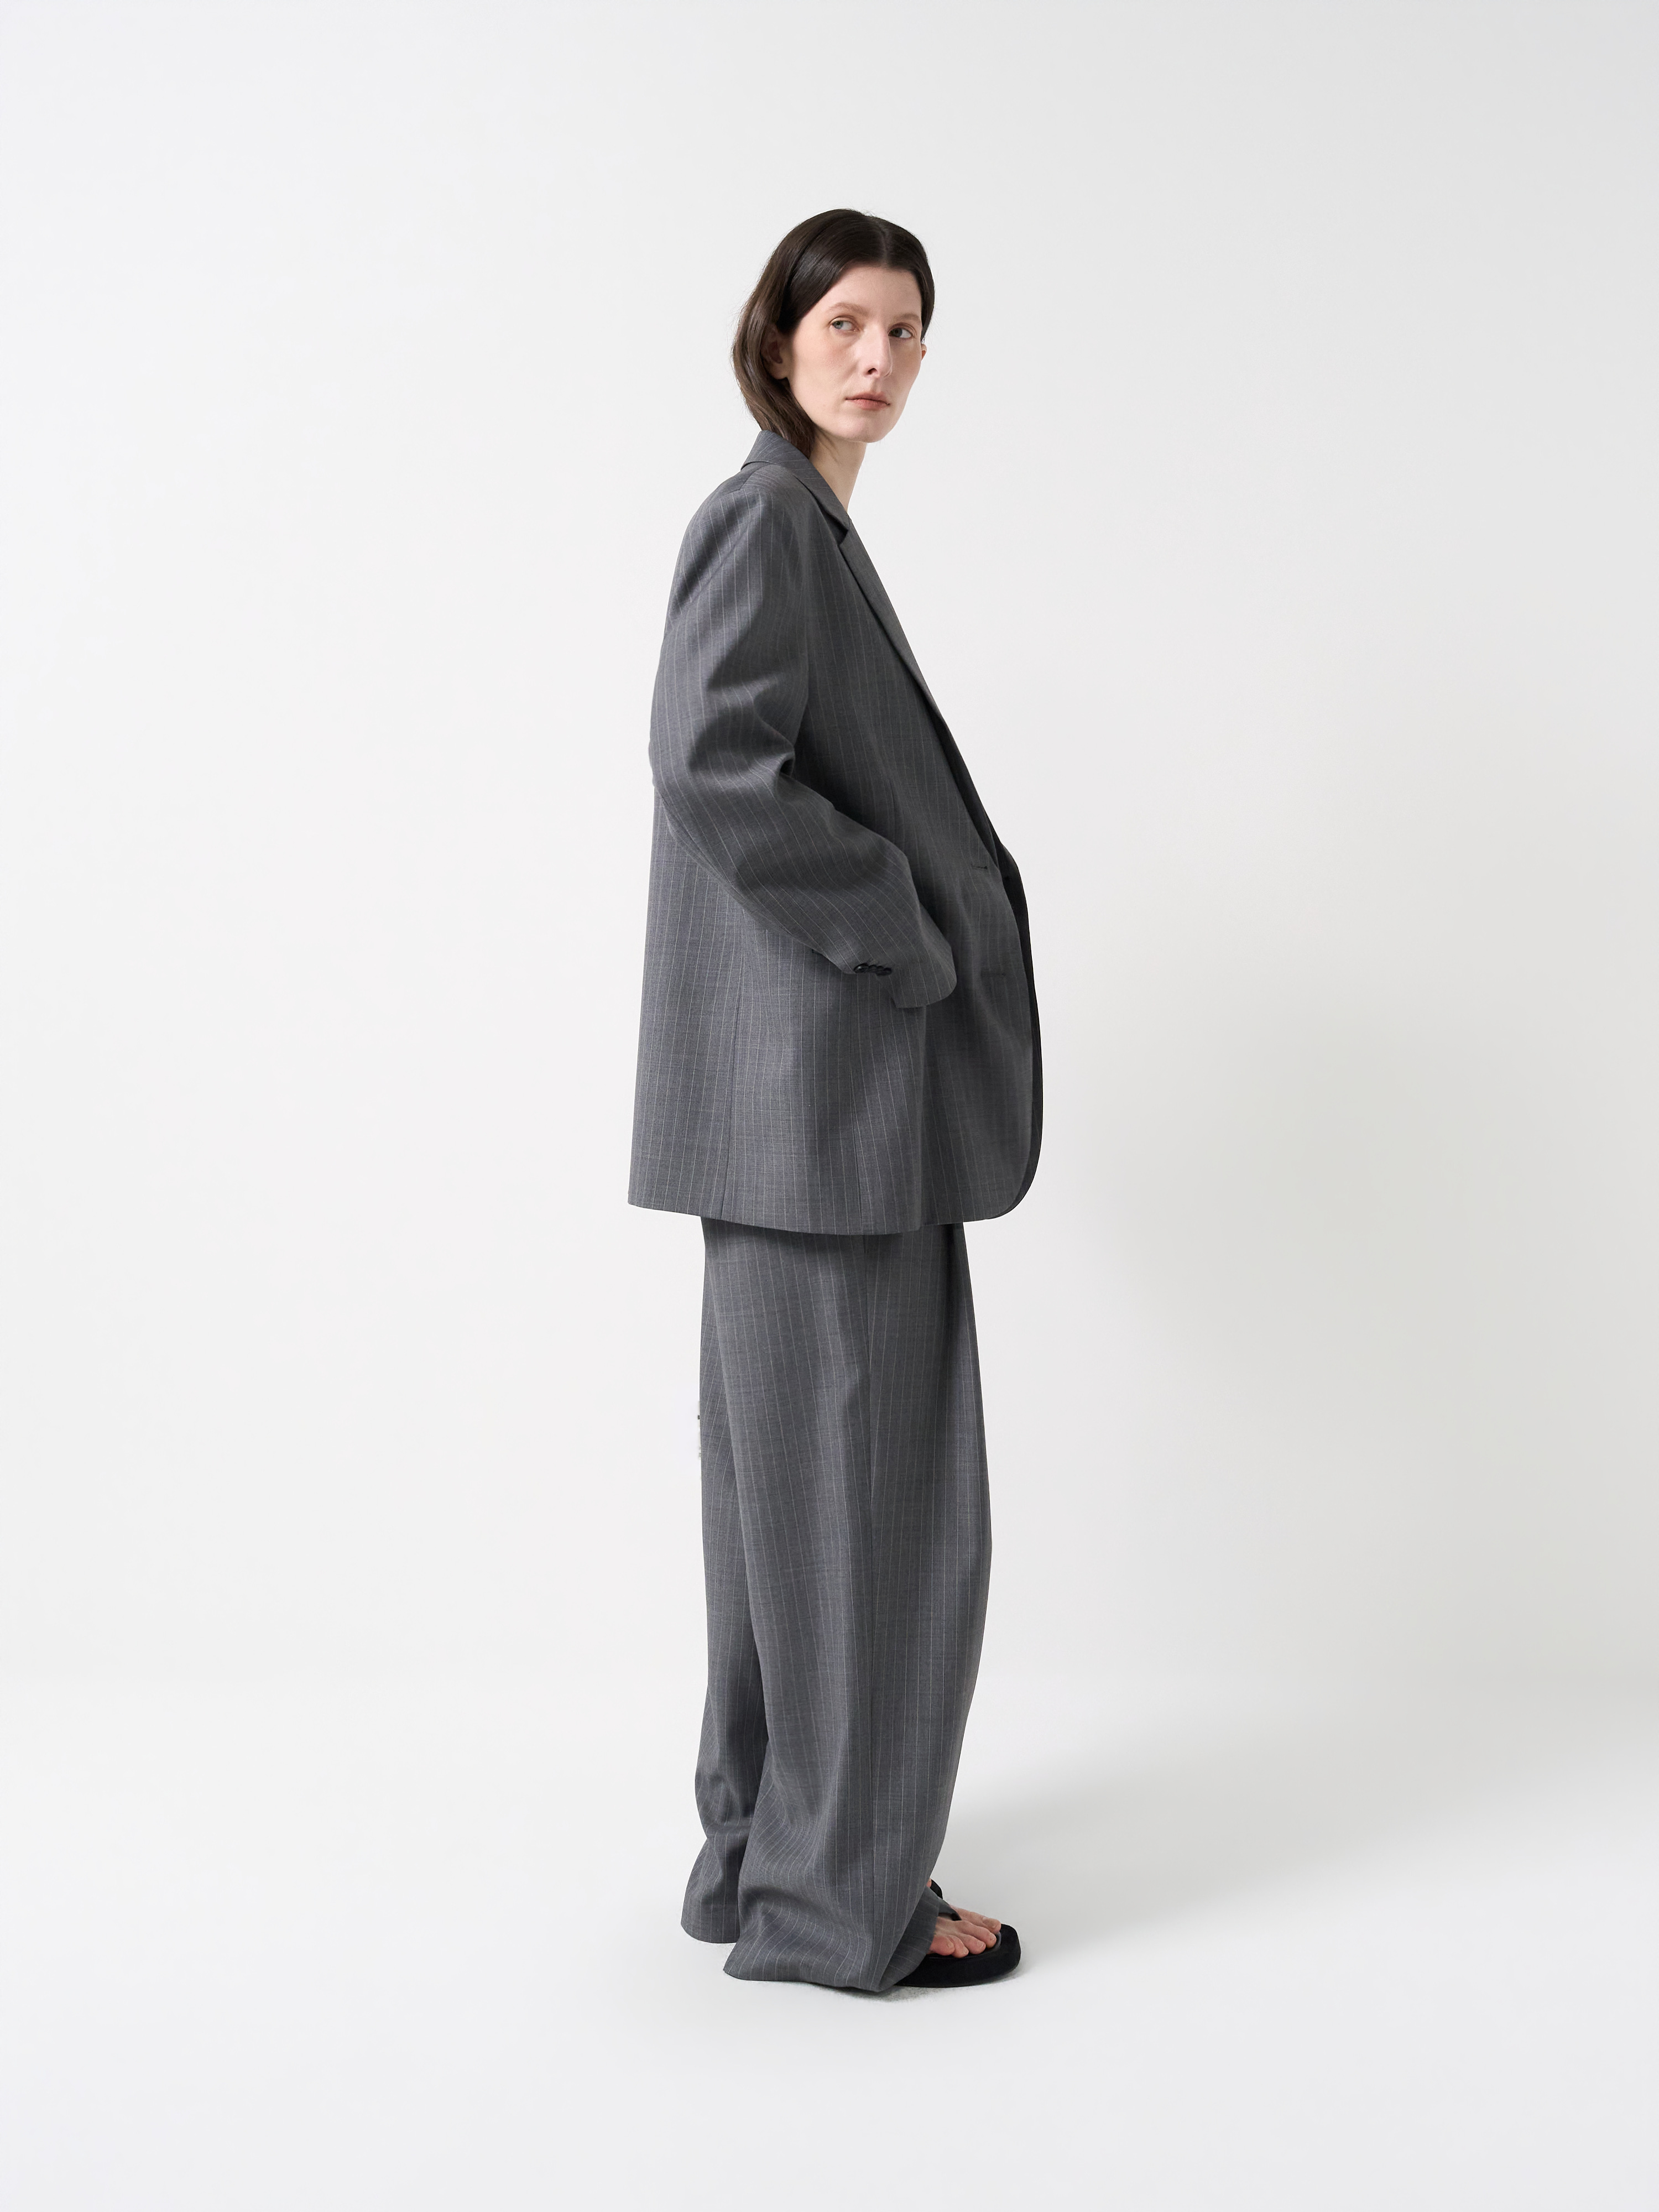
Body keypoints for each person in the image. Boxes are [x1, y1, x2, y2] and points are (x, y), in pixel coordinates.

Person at [629, 209, 1040, 1991]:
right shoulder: (769, 521)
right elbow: (710, 757)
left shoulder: (803, 523)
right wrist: (903, 927)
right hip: (831, 1110)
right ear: (780, 338)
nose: (877, 358)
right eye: (845, 324)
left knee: (795, 1520)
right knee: (875, 1522)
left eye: (906, 330)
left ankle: (762, 1863)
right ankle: (840, 1904)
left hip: (799, 1122)